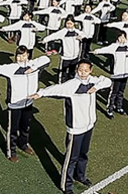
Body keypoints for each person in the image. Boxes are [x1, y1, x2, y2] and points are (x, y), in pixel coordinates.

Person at [29, 61, 112, 194]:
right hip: (76, 129)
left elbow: (107, 81)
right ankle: (66, 186)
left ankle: (80, 176)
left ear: (90, 70)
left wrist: (97, 87)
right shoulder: (72, 85)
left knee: (83, 154)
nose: (83, 73)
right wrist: (41, 93)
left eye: (86, 70)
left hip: (89, 126)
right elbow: (56, 88)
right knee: (71, 158)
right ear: (76, 70)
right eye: (80, 70)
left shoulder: (94, 81)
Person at [0, 45, 50, 162]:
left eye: (24, 55)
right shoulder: (11, 68)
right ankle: (11, 152)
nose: (21, 58)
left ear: (28, 55)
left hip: (28, 103)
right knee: (12, 130)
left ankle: (24, 144)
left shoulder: (34, 65)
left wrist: (33, 68)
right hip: (15, 105)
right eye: (19, 55)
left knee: (25, 127)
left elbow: (46, 59)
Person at [92, 32, 128, 118]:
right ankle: (110, 109)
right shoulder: (114, 46)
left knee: (121, 92)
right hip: (117, 74)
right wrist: (97, 51)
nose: (122, 39)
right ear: (117, 38)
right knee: (114, 92)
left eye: (123, 37)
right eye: (120, 37)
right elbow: (106, 49)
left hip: (125, 74)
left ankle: (119, 107)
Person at [42, 16, 86, 83]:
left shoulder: (77, 32)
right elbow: (54, 35)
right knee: (63, 73)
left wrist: (81, 36)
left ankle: (71, 84)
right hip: (66, 57)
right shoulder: (63, 32)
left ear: (74, 23)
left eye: (70, 23)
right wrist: (45, 39)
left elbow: (84, 34)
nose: (69, 25)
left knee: (72, 73)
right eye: (67, 23)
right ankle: (61, 85)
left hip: (75, 57)